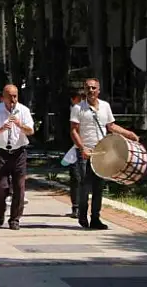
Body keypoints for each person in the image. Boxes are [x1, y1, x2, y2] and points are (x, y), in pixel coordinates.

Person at [70, 78, 139, 230]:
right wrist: (82, 149)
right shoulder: (78, 108)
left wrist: (129, 134)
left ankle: (95, 218)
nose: (91, 90)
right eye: (88, 88)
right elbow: (74, 130)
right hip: (85, 152)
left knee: (98, 187)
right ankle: (82, 214)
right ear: (84, 90)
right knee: (85, 185)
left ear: (98, 90)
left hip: (102, 151)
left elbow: (111, 126)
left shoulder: (105, 106)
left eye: (94, 88)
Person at [0, 85, 34, 230]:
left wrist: (19, 125)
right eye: (10, 96)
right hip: (2, 153)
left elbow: (30, 130)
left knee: (19, 188)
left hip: (19, 153)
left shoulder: (23, 110)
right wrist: (2, 128)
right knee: (1, 187)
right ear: (3, 97)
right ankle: (0, 210)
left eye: (15, 96)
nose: (13, 100)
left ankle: (15, 219)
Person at [67, 89, 85, 218]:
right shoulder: (69, 111)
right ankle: (76, 207)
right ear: (73, 99)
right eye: (80, 98)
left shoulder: (87, 111)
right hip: (72, 149)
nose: (83, 101)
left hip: (88, 148)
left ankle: (85, 207)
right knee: (76, 177)